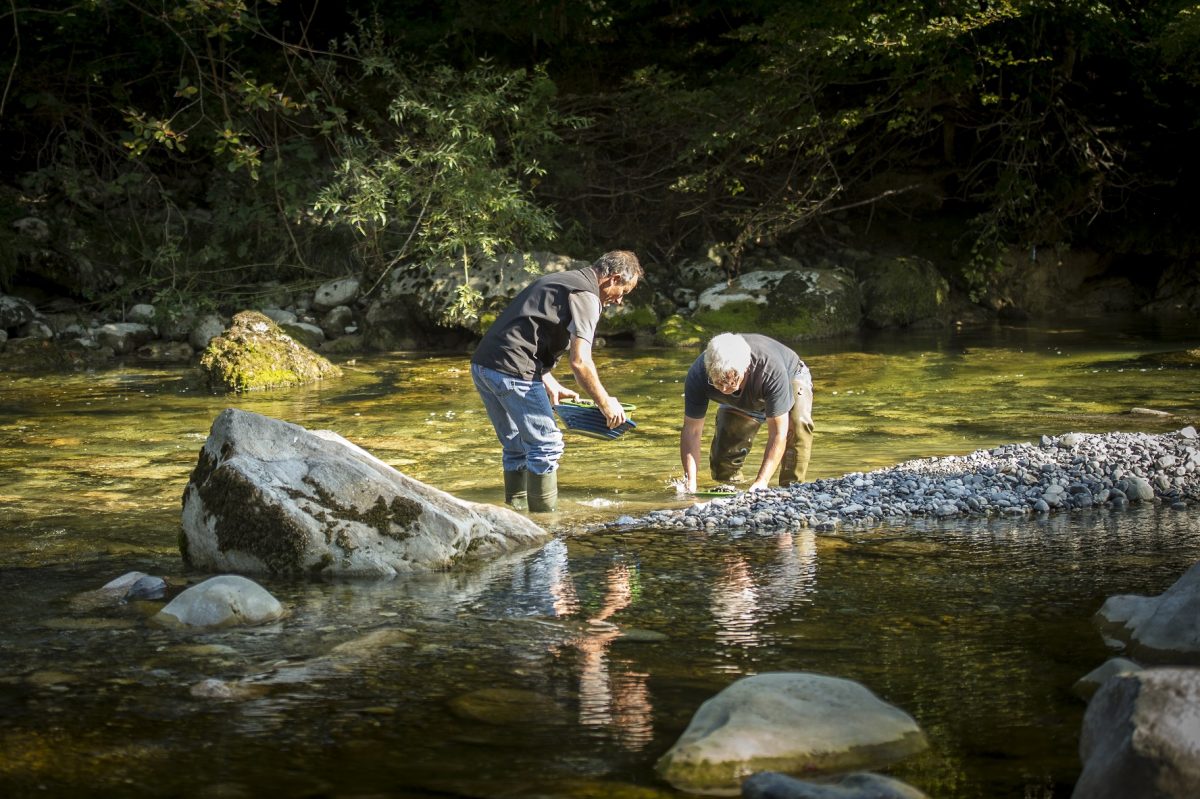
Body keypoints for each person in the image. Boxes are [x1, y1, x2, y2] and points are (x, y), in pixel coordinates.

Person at [471, 250, 643, 512]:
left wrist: (547, 380)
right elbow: (580, 362)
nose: (620, 300)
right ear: (613, 278)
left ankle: (515, 517)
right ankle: (544, 524)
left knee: (516, 445)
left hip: (483, 365)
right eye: (624, 292)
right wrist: (606, 403)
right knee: (546, 444)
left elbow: (523, 333)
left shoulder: (563, 280)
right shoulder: (587, 297)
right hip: (513, 371)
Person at [679, 332, 814, 493]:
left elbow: (778, 433)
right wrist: (690, 483)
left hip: (790, 376)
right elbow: (692, 431)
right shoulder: (699, 374)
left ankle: (792, 490)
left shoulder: (769, 370)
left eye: (730, 381)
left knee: (798, 425)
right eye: (717, 383)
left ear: (746, 368)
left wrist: (762, 481)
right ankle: (733, 489)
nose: (723, 389)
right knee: (722, 464)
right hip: (744, 397)